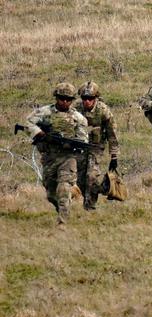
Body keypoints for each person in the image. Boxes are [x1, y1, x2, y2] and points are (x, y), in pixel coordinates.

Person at [24, 83, 88, 225]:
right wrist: (40, 133)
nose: (64, 102)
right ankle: (67, 199)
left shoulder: (78, 118)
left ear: (72, 100)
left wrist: (71, 143)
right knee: (51, 193)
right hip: (49, 157)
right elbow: (28, 123)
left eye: (68, 99)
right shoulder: (45, 112)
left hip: (68, 158)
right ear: (56, 98)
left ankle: (62, 223)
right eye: (61, 98)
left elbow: (83, 139)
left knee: (63, 188)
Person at [74, 81, 120, 210]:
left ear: (95, 98)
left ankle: (90, 206)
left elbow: (112, 134)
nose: (87, 101)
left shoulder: (103, 111)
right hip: (80, 147)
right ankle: (103, 187)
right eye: (84, 98)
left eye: (90, 98)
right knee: (80, 179)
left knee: (91, 176)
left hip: (96, 147)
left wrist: (114, 156)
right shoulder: (76, 109)